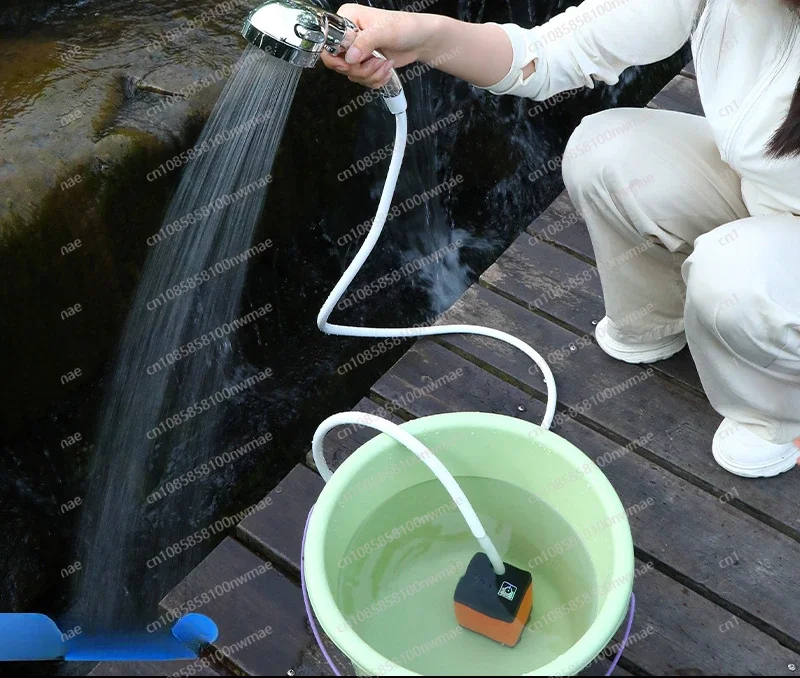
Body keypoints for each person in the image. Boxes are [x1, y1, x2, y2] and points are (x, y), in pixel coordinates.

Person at [321, 0, 800, 478]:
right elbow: (551, 52)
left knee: (733, 278)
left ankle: (776, 416)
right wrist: (426, 36)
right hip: (765, 191)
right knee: (606, 151)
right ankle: (659, 319)